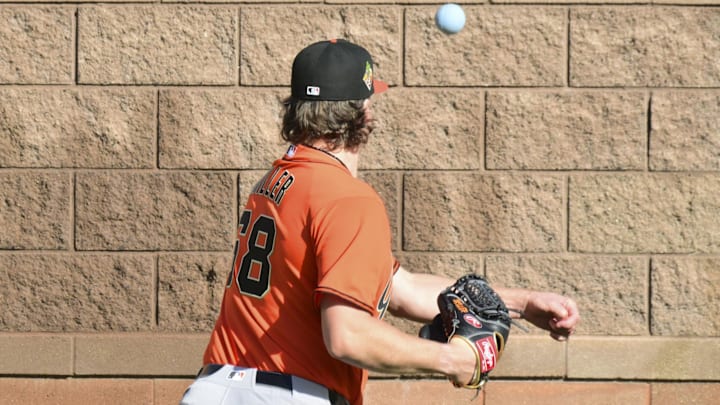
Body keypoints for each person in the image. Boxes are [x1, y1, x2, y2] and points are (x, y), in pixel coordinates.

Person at [179, 39, 580, 405]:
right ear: (362, 113)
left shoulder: (278, 182)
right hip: (287, 396)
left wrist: (522, 303)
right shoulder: (347, 198)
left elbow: (398, 289)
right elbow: (347, 334)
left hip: (212, 391)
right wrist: (454, 359)